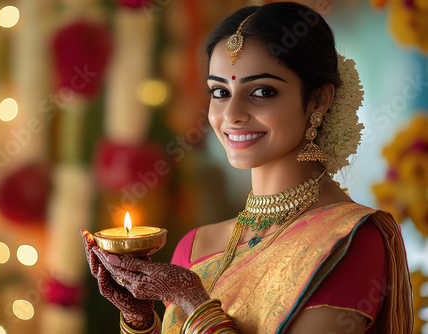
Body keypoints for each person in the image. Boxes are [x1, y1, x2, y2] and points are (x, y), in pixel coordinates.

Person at [81, 2, 414, 333]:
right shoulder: (195, 247)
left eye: (262, 91)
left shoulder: (349, 240)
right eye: (220, 92)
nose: (231, 114)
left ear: (319, 100)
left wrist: (192, 300)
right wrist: (138, 320)